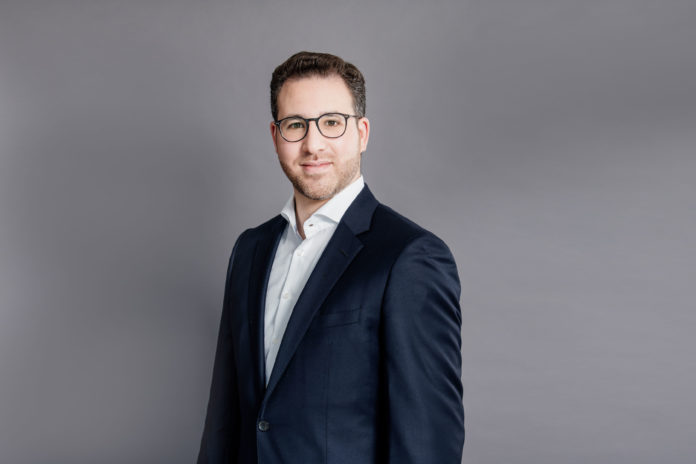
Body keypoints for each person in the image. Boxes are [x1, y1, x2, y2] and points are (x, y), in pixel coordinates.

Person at [197, 51, 464, 464]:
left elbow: (427, 443)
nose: (313, 144)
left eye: (332, 123)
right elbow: (225, 420)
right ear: (275, 136)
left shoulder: (410, 257)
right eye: (296, 125)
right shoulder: (250, 250)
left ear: (362, 133)